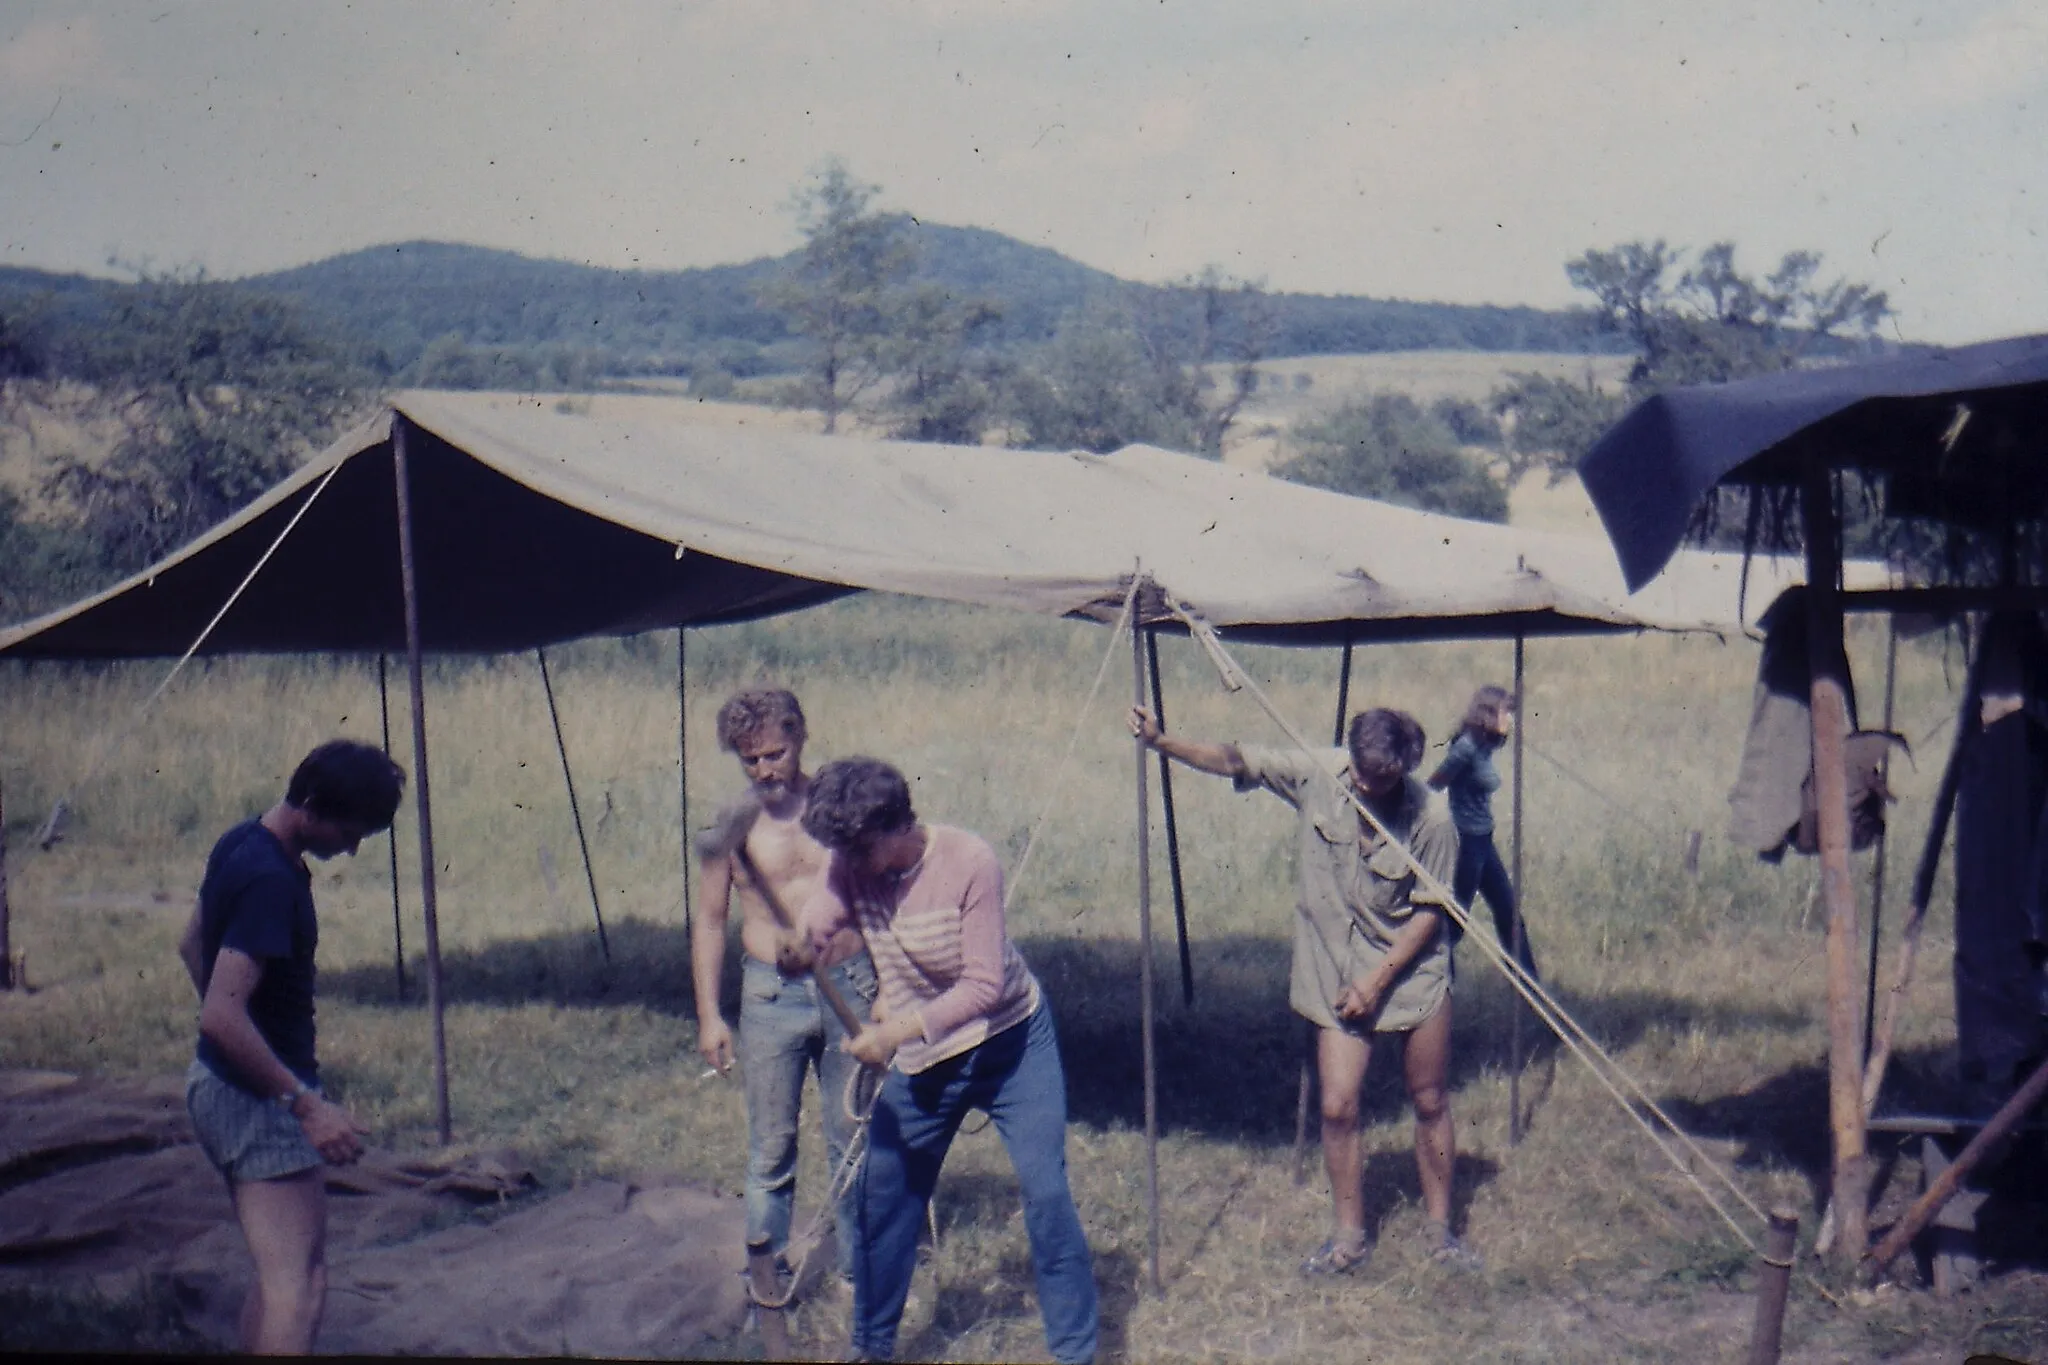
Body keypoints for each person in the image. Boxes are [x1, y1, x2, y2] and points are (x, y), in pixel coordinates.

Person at [1130, 702, 1477, 1275]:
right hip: (1337, 976)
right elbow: (1236, 759)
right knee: (1338, 1106)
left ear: (1404, 770)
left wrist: (1378, 980)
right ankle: (1348, 1238)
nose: (1365, 786)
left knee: (1430, 1099)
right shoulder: (1321, 772)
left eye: (1381, 779)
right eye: (1361, 773)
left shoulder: (1433, 819)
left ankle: (1441, 1232)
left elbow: (1430, 915)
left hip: (1409, 973)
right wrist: (1162, 741)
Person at [782, 757, 1097, 1365]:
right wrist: (802, 947)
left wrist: (894, 1032)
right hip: (929, 1059)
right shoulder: (849, 861)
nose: (845, 861)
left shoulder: (969, 862)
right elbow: (822, 917)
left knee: (1047, 1195)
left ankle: (1077, 1356)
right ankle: (870, 1349)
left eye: (856, 848)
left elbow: (983, 987)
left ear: (898, 826)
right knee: (884, 1199)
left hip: (1011, 1045)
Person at [176, 739, 405, 1354]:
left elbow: (191, 943)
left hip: (220, 1085)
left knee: (278, 1279)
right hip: (259, 1104)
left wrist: (241, 1031)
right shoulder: (271, 880)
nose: (351, 848)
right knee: (299, 1287)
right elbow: (222, 1017)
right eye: (348, 831)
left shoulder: (240, 840)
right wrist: (304, 1104)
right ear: (309, 804)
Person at [691, 688, 878, 1289]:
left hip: (849, 984)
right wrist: (710, 1017)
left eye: (775, 753)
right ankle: (766, 1281)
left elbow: (880, 895)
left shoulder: (836, 805)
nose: (765, 769)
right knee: (771, 1149)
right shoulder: (733, 823)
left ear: (800, 740)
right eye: (751, 760)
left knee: (853, 1137)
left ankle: (860, 1271)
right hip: (771, 996)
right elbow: (712, 920)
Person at [1428, 684, 1538, 981]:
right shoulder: (1465, 747)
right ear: (1489, 713)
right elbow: (1436, 781)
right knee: (1455, 920)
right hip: (1466, 841)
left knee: (1507, 909)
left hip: (1482, 839)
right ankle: (1436, 980)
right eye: (1507, 713)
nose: (1512, 719)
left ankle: (1531, 986)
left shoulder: (1484, 744)